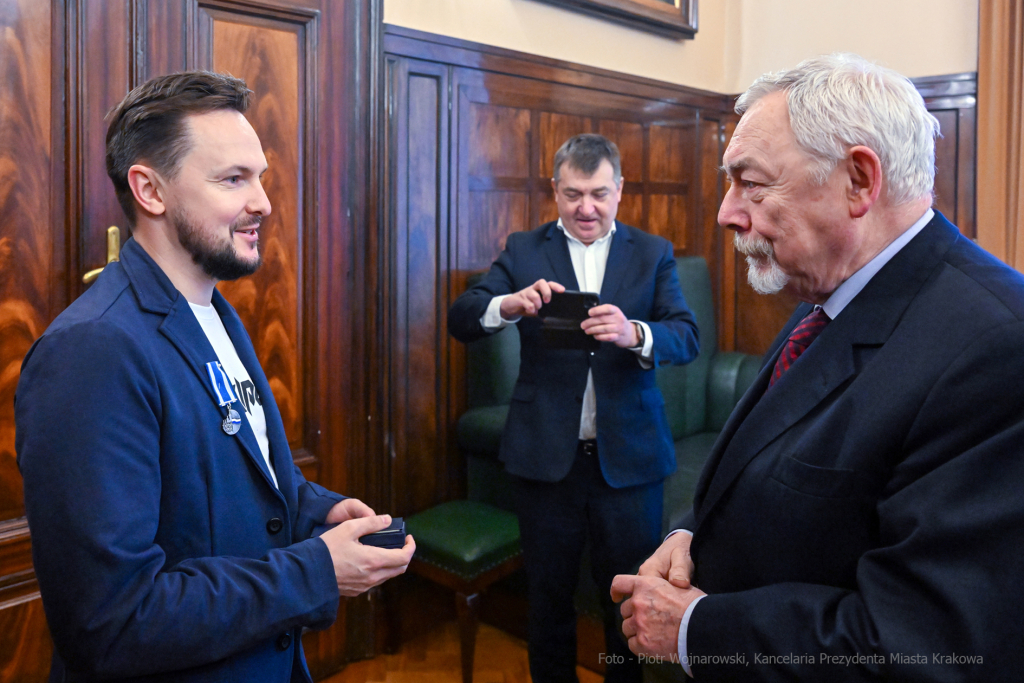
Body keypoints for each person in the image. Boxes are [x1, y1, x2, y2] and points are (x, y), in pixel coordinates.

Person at [611, 53, 1024, 682]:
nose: (727, 212)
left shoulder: (997, 347)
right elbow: (771, 465)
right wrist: (692, 534)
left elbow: (926, 648)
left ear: (859, 181)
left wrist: (697, 631)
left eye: (752, 182)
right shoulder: (832, 292)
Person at [15, 71, 415, 682]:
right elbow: (113, 620)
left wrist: (318, 515)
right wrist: (317, 570)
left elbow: (222, 486)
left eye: (260, 176)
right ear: (150, 190)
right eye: (233, 179)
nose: (264, 202)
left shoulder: (216, 313)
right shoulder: (91, 351)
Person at [448, 134, 699, 683]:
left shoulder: (653, 252)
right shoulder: (523, 248)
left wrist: (635, 332)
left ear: (620, 191)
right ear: (555, 190)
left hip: (630, 461)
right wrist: (507, 306)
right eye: (574, 194)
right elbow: (462, 318)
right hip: (545, 459)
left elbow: (687, 336)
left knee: (628, 606)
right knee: (548, 602)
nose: (587, 208)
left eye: (599, 194)